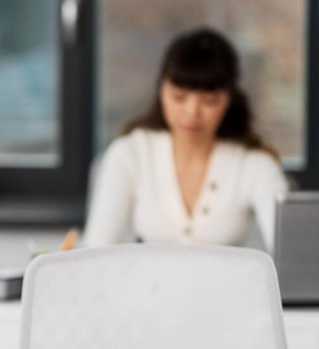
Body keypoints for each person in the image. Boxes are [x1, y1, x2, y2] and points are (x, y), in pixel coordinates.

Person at [84, 27, 289, 251]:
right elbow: (96, 249)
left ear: (229, 100)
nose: (192, 112)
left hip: (225, 286)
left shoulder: (254, 163)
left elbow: (292, 251)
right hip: (145, 285)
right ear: (161, 90)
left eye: (209, 100)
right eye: (179, 97)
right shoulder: (130, 153)